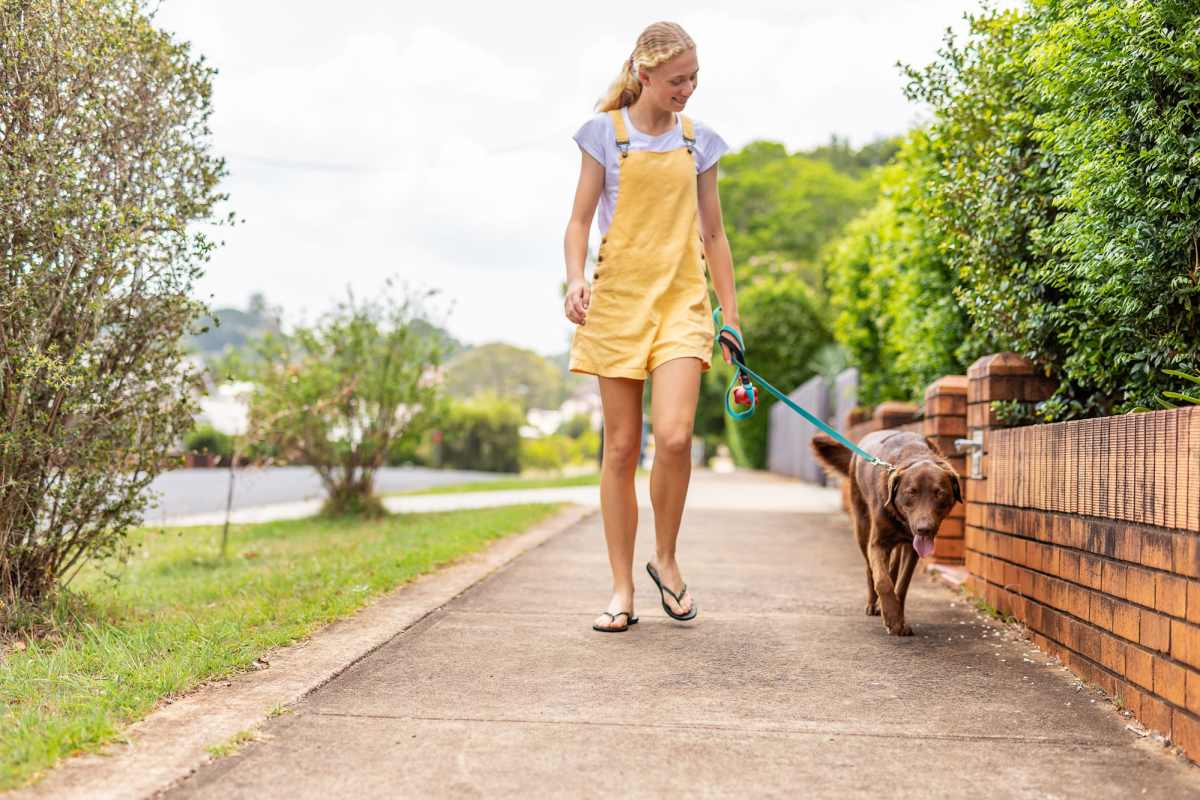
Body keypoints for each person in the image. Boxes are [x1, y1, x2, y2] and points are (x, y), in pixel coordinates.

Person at [563, 21, 742, 632]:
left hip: (682, 305)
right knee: (619, 448)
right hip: (617, 303)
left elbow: (714, 235)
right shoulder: (604, 136)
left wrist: (731, 318)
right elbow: (579, 222)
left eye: (693, 78)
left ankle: (665, 558)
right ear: (643, 75)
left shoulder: (700, 143)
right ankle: (620, 589)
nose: (687, 89)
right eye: (676, 80)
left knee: (671, 438)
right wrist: (574, 278)